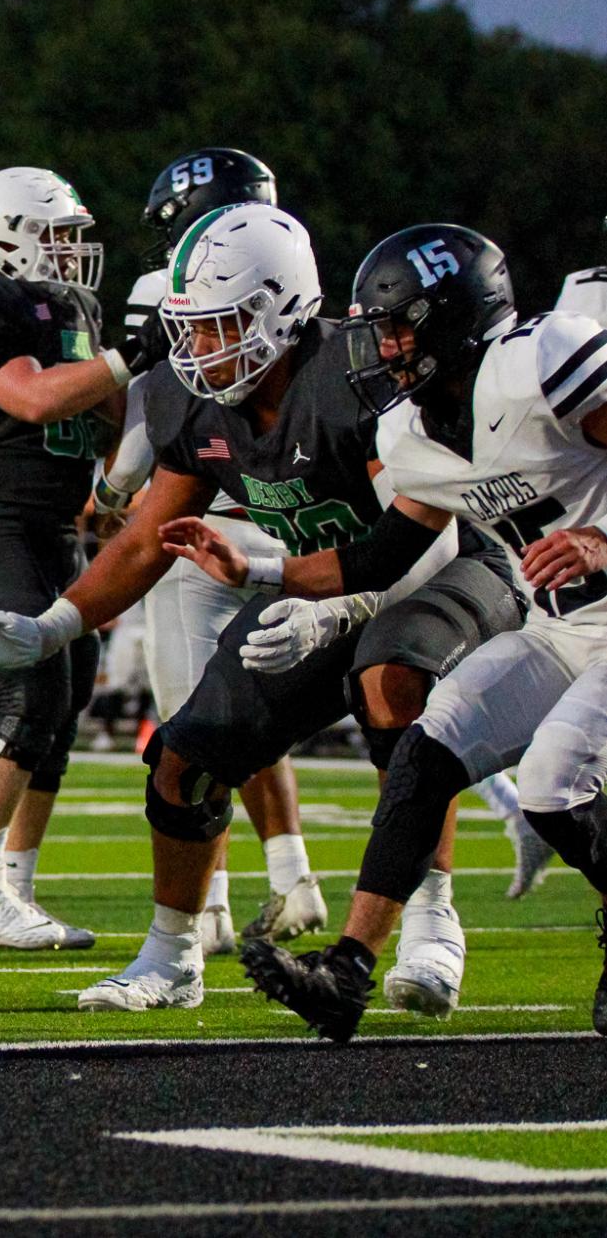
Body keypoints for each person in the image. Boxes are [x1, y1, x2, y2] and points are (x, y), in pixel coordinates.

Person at [0, 206, 521, 1014]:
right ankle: (171, 955)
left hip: (448, 568)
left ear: (284, 310)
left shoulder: (359, 374)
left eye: (219, 327)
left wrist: (322, 609)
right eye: (189, 329)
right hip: (308, 581)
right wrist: (54, 625)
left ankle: (430, 919)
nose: (197, 350)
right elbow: (145, 540)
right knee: (186, 756)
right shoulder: (192, 398)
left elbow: (415, 543)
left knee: (392, 682)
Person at [164, 224, 607, 1039]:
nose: (380, 348)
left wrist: (600, 539)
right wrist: (258, 574)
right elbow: (377, 556)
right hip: (559, 625)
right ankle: (346, 973)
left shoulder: (538, 364)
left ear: (454, 319)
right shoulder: (407, 432)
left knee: (549, 782)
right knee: (426, 749)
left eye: (396, 326)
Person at [0, 166, 166, 951]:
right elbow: (28, 397)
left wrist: (136, 440)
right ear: (3, 236)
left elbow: (106, 404)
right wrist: (131, 357)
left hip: (54, 525)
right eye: (55, 236)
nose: (69, 252)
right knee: (26, 692)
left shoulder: (75, 307)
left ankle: (13, 887)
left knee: (65, 702)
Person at [91, 149, 323, 954]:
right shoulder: (291, 283)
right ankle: (292, 873)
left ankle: (209, 907)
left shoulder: (168, 294)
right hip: (292, 521)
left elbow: (144, 429)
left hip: (196, 524)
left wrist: (114, 494)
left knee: (198, 727)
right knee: (254, 713)